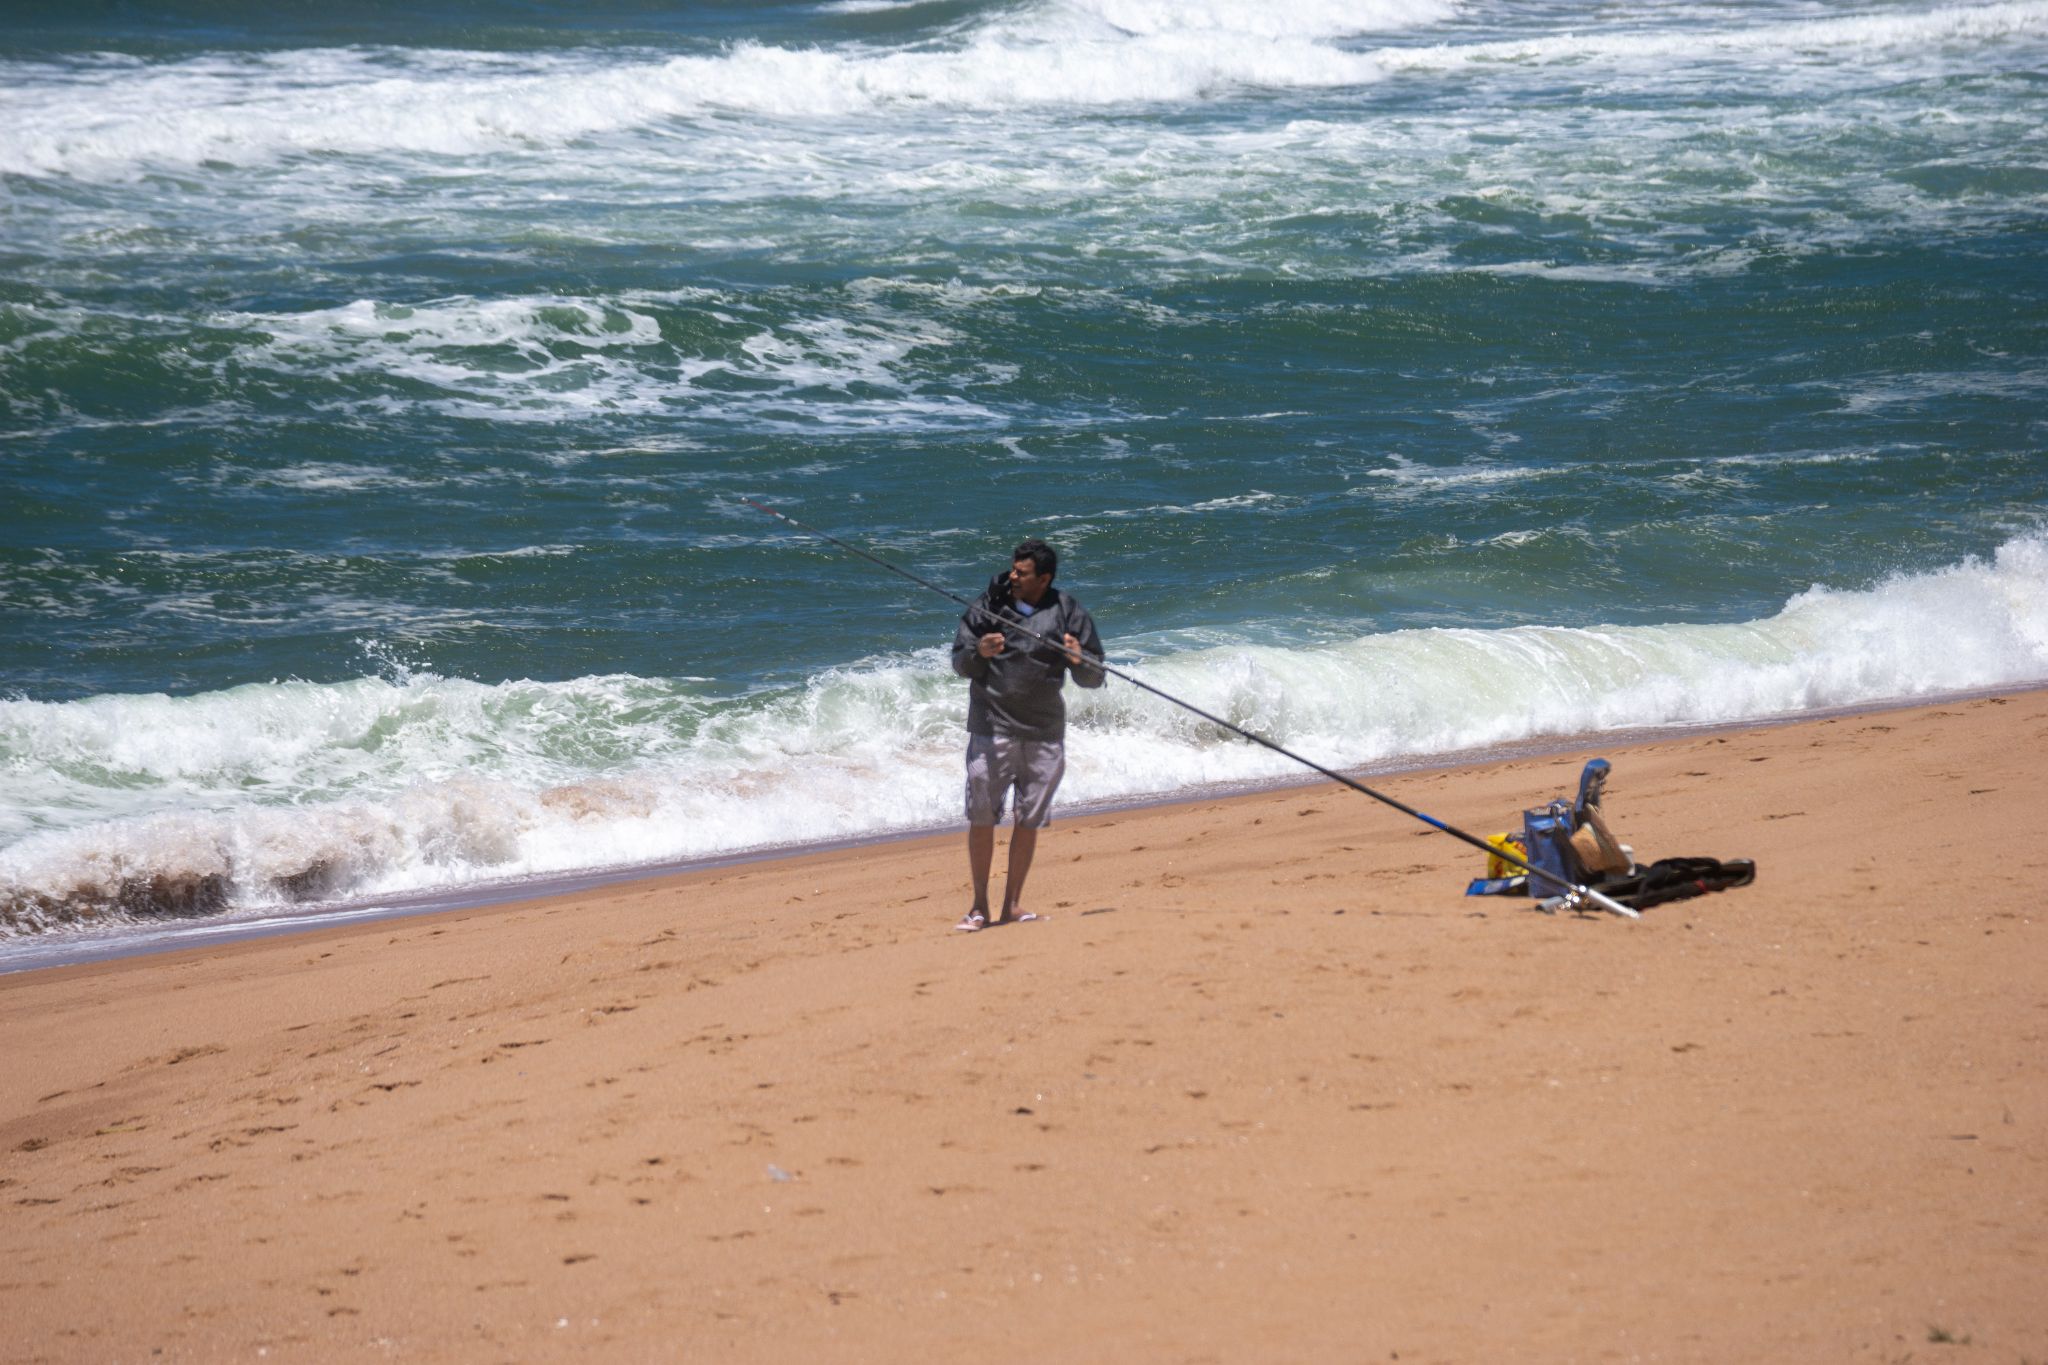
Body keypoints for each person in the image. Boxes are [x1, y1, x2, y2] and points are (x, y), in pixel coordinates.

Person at [949, 538, 1104, 931]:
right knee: (982, 815)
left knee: (1027, 819)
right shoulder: (987, 606)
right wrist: (978, 652)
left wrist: (1077, 659)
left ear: (1044, 578)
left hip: (1044, 733)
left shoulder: (1067, 611)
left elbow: (1094, 676)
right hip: (992, 729)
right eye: (1013, 569)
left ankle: (1012, 905)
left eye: (1023, 572)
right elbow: (960, 663)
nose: (1013, 576)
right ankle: (979, 905)